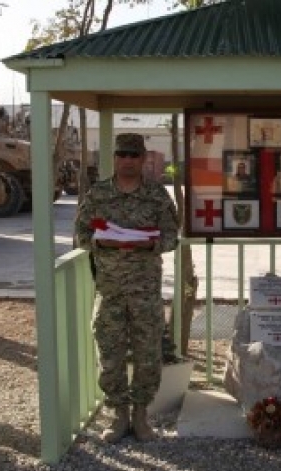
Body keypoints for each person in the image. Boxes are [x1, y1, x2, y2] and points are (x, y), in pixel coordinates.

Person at [74, 133, 178, 444]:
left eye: (134, 155)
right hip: (111, 291)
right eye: (123, 154)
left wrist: (151, 242)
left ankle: (141, 414)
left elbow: (172, 236)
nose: (128, 160)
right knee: (110, 353)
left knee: (148, 354)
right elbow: (81, 233)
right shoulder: (98, 195)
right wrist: (99, 241)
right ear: (115, 158)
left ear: (143, 158)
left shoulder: (157, 196)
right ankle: (118, 414)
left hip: (145, 291)